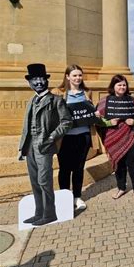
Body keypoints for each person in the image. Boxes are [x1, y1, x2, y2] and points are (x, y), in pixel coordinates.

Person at [18, 63, 73, 226]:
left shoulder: (56, 100)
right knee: (34, 180)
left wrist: (51, 138)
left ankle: (50, 214)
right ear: (30, 83)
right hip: (30, 147)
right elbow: (26, 126)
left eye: (41, 78)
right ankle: (39, 212)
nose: (39, 82)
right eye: (35, 79)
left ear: (46, 81)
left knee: (44, 180)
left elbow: (66, 122)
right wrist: (22, 147)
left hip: (44, 145)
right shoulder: (31, 101)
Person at [52, 64, 101, 210]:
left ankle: (77, 197)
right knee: (65, 168)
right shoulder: (58, 93)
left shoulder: (87, 92)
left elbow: (91, 111)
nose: (77, 78)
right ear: (67, 77)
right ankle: (65, 197)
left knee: (79, 168)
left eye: (80, 75)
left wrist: (95, 114)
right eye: (74, 75)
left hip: (83, 135)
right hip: (65, 138)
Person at [97, 75, 134, 200]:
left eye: (124, 85)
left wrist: (133, 122)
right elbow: (97, 120)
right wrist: (108, 123)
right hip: (114, 136)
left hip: (133, 135)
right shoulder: (105, 101)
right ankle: (121, 188)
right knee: (119, 163)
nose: (122, 87)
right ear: (113, 86)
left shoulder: (132, 100)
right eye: (119, 85)